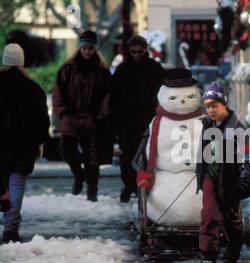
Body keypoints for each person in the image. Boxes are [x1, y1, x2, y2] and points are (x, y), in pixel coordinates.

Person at [196, 81, 250, 263]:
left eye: (215, 105)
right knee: (209, 215)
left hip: (229, 180)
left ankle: (233, 250)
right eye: (208, 106)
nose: (211, 110)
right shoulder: (208, 126)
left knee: (231, 221)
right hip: (210, 177)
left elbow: (249, 154)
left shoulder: (237, 129)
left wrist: (248, 173)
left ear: (224, 104)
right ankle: (209, 256)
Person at [52, 30, 112, 202]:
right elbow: (58, 91)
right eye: (84, 48)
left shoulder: (102, 70)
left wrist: (101, 115)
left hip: (91, 119)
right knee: (67, 149)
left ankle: (92, 192)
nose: (87, 51)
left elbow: (108, 94)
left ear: (95, 49)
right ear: (80, 48)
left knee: (92, 158)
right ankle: (79, 176)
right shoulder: (68, 68)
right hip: (70, 117)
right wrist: (62, 111)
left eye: (90, 48)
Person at [0, 43, 50, 243]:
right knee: (17, 183)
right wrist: (40, 142)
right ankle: (11, 227)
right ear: (22, 62)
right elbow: (41, 120)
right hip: (23, 144)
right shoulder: (33, 89)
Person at [110, 35, 164, 203]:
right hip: (129, 120)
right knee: (128, 157)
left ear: (145, 50)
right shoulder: (123, 70)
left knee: (148, 155)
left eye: (140, 51)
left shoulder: (154, 68)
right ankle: (129, 186)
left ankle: (144, 186)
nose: (137, 55)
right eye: (134, 51)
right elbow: (115, 99)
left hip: (148, 118)